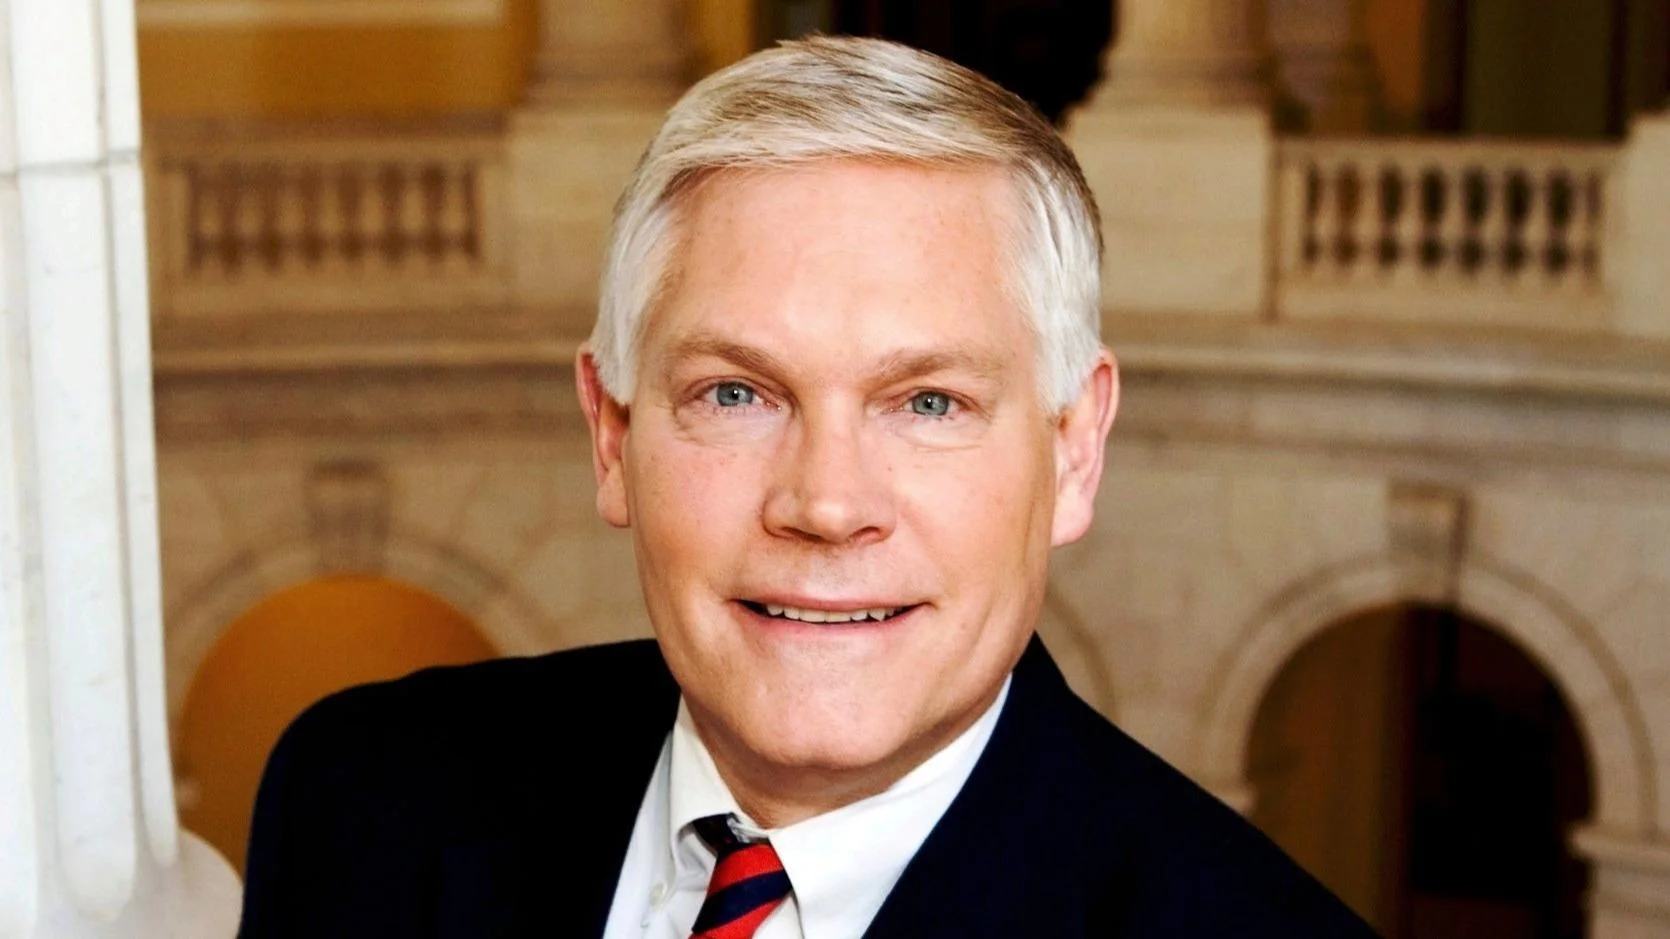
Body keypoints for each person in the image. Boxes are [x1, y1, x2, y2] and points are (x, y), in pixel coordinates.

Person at [238, 35, 1379, 939]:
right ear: (610, 432)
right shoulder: (360, 803)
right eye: (736, 395)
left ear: (1074, 449)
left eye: (927, 403)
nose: (826, 505)